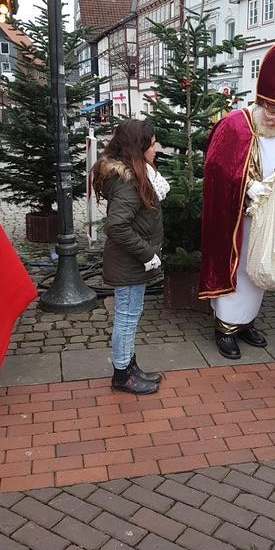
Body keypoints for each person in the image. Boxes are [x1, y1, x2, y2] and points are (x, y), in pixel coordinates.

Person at [199, 34, 275, 359]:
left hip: (269, 217)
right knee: (237, 269)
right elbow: (216, 168)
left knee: (260, 266)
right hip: (239, 218)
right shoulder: (234, 126)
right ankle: (225, 326)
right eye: (271, 110)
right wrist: (248, 187)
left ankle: (247, 322)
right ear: (260, 102)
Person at [92, 118, 170, 393]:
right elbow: (117, 226)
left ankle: (129, 365)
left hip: (132, 263)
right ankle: (122, 375)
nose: (156, 148)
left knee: (131, 315)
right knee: (126, 317)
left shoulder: (138, 174)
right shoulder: (128, 182)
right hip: (130, 263)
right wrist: (147, 254)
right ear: (139, 147)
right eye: (152, 144)